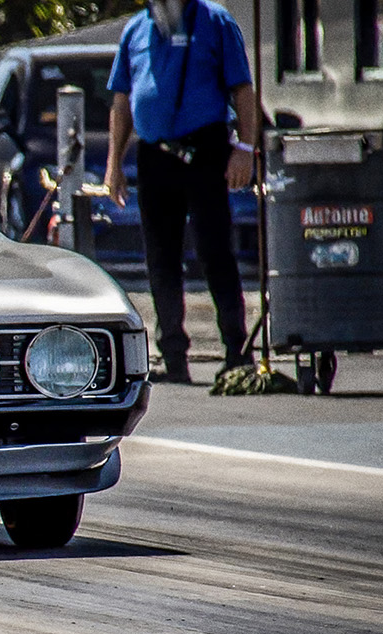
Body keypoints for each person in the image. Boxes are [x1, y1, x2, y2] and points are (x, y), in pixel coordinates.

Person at [104, 0, 257, 383]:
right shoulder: (135, 29)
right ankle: (173, 355)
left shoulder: (215, 21)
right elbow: (122, 101)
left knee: (214, 250)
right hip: (155, 153)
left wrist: (245, 149)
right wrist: (114, 165)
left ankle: (237, 351)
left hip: (205, 148)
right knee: (160, 255)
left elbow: (242, 90)